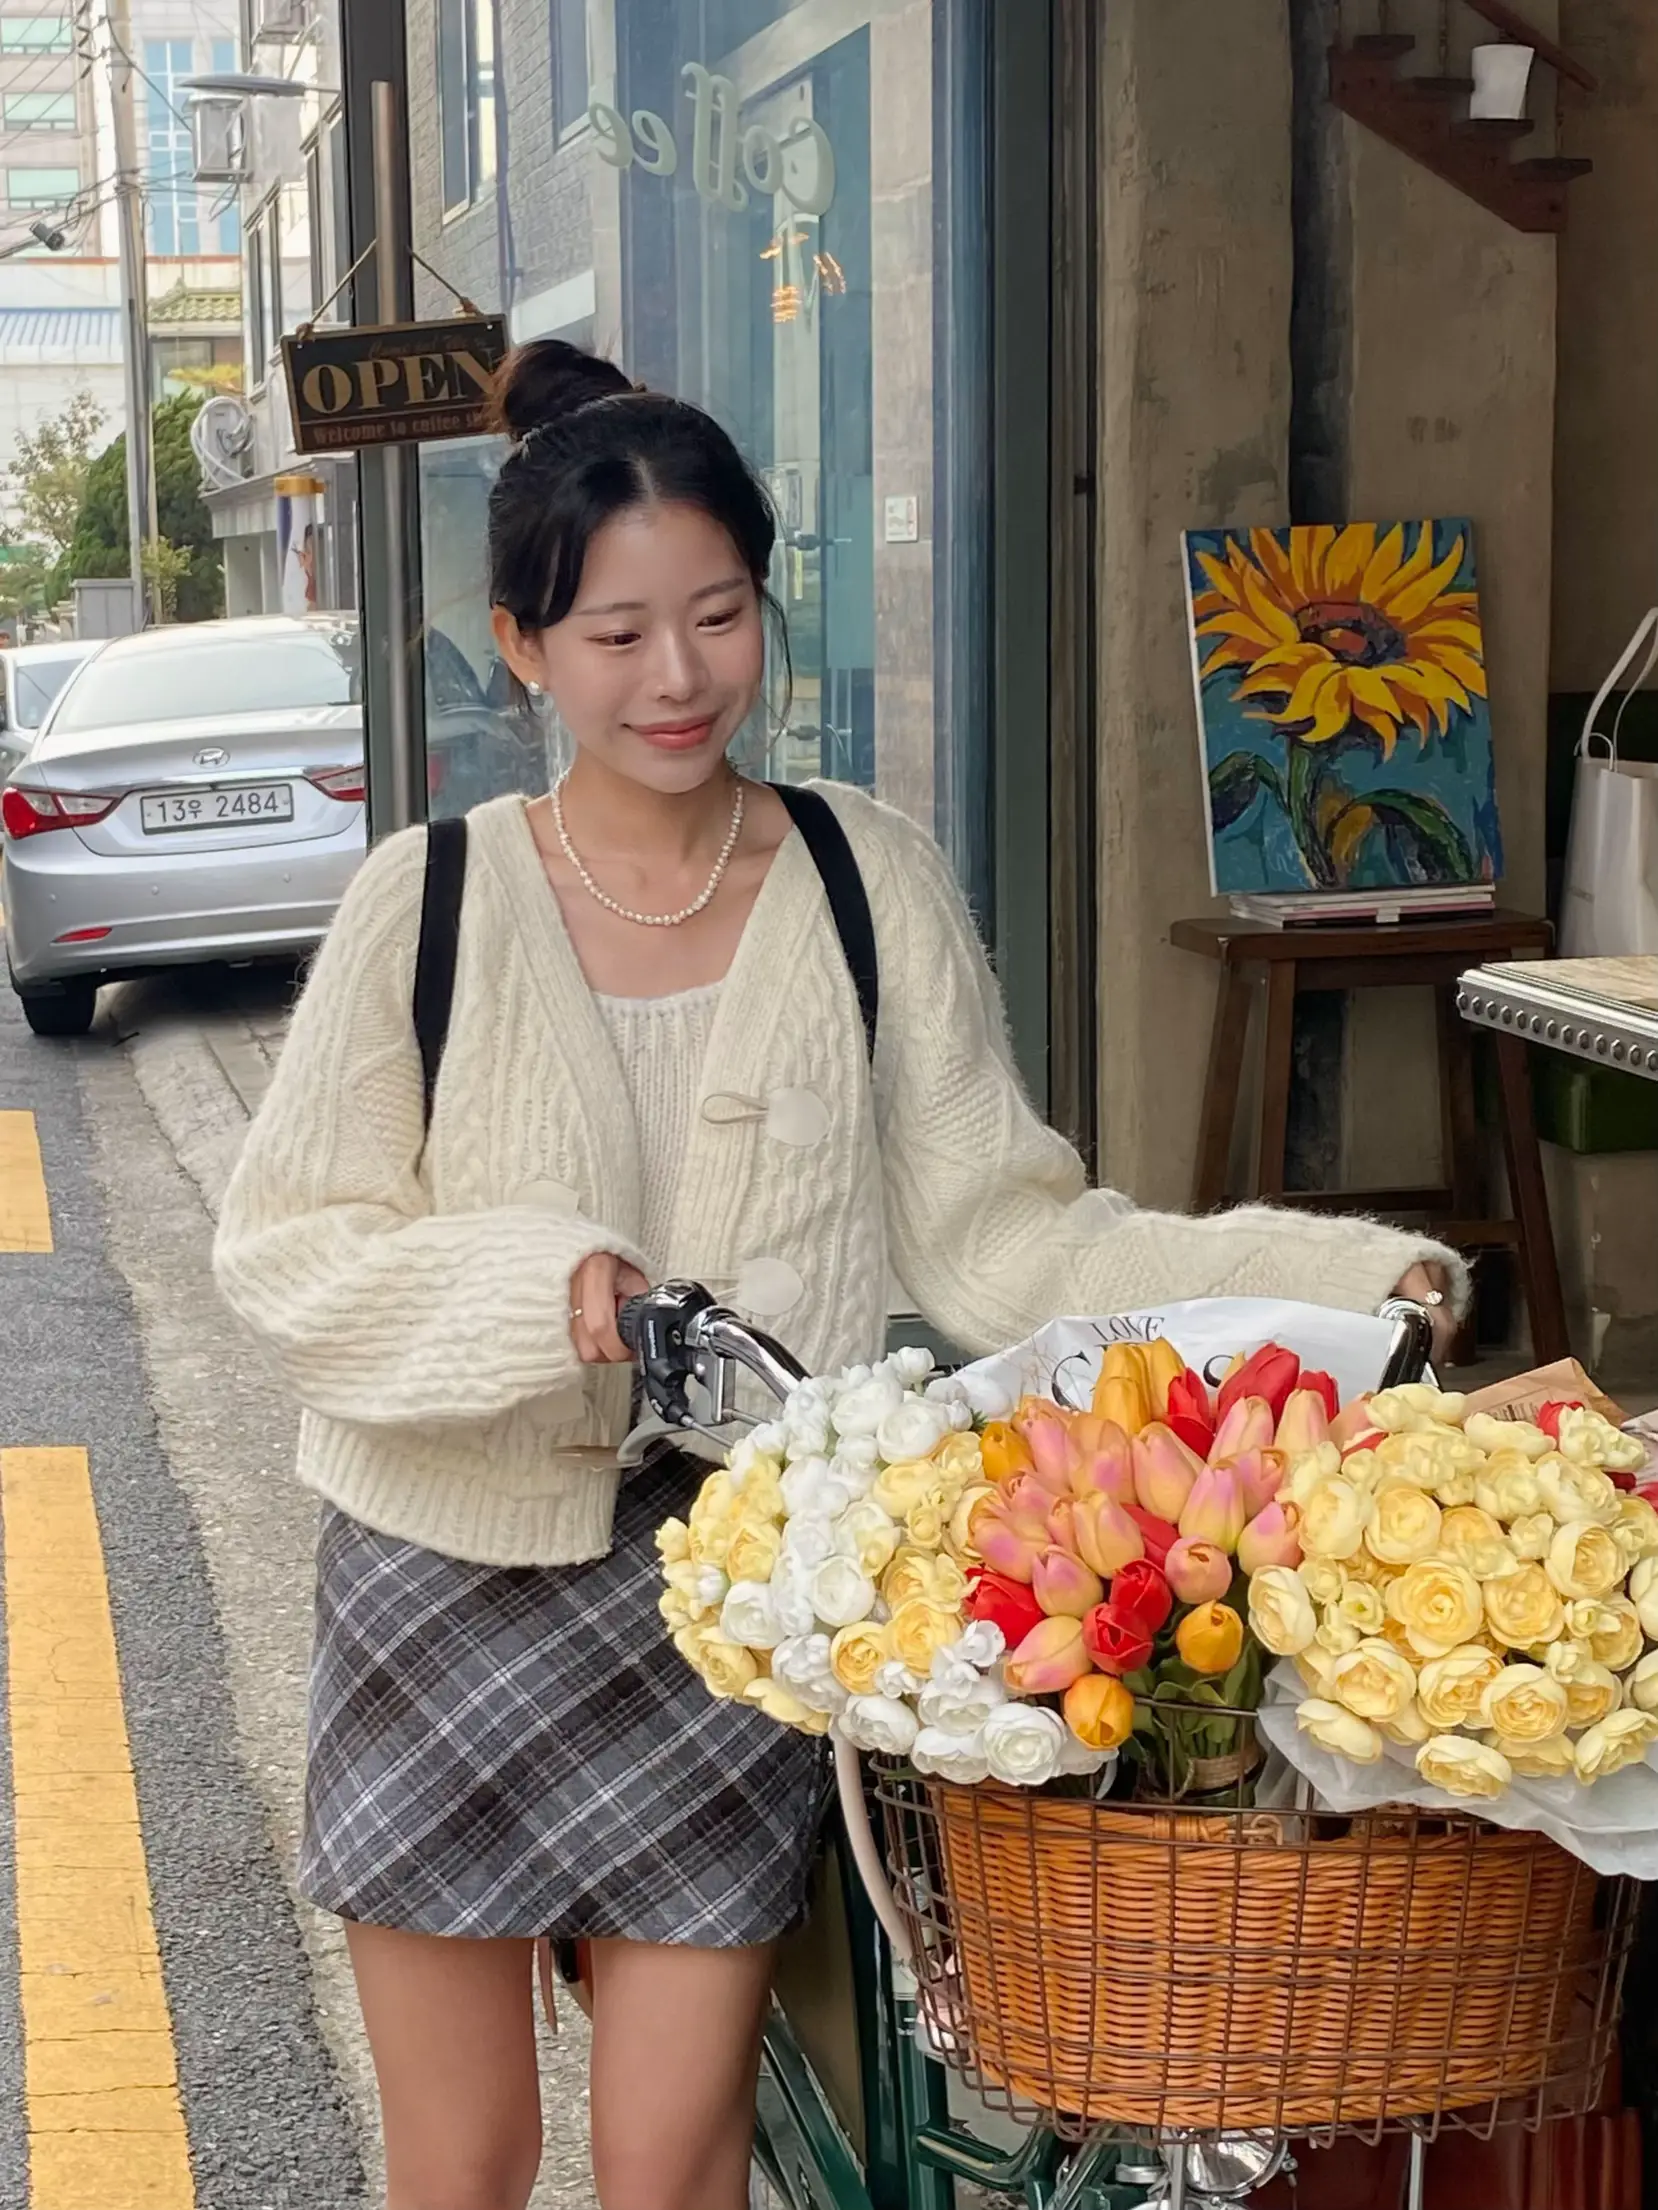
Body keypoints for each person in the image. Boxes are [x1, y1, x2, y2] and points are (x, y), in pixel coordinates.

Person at [212, 339, 1462, 2210]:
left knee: (670, 2158)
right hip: (442, 1587)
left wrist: (1351, 1272)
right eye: (617, 631)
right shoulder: (432, 895)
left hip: (749, 1609)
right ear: (522, 642)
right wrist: (540, 1288)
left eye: (715, 615)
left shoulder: (860, 878)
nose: (677, 675)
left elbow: (1012, 1231)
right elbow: (285, 1248)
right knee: (460, 2161)